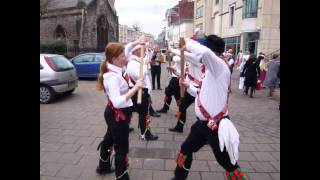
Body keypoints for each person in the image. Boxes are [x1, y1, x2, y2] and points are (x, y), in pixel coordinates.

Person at [171, 35, 245, 180]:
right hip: (202, 125)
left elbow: (204, 53)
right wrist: (188, 86)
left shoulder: (219, 66)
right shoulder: (212, 70)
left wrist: (187, 42)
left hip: (215, 126)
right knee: (186, 149)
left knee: (228, 163)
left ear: (211, 50)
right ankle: (178, 178)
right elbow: (202, 93)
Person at [95, 42, 144, 180]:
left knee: (109, 138)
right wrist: (136, 88)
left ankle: (103, 165)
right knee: (122, 148)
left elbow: (127, 49)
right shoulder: (111, 77)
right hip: (117, 115)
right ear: (114, 59)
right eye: (123, 56)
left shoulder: (118, 68)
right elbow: (117, 102)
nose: (126, 58)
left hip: (118, 114)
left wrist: (137, 42)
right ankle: (121, 176)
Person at [126, 38, 159, 141]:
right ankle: (145, 134)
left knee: (139, 112)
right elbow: (139, 75)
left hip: (141, 91)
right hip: (137, 92)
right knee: (143, 113)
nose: (144, 53)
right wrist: (145, 65)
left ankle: (129, 128)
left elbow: (146, 62)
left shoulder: (137, 61)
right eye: (143, 51)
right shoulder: (132, 63)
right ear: (137, 52)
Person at [167, 45, 205, 133]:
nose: (188, 51)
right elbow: (186, 75)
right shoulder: (192, 62)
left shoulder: (198, 59)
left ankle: (206, 135)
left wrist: (171, 49)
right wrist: (176, 71)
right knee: (182, 106)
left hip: (197, 90)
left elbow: (184, 55)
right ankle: (179, 127)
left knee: (201, 113)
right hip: (190, 88)